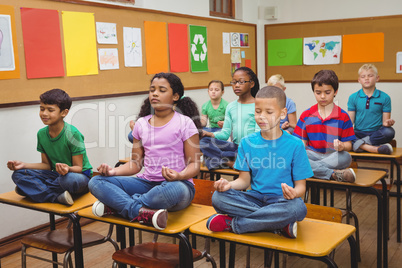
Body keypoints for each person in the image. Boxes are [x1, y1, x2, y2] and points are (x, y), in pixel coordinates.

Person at [89, 73, 201, 230]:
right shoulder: (141, 124)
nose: (154, 93)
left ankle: (117, 206)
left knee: (169, 191)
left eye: (162, 90)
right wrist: (112, 171)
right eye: (152, 90)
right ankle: (139, 211)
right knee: (96, 181)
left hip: (178, 185)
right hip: (147, 184)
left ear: (175, 96)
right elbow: (135, 164)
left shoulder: (185, 123)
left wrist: (180, 175)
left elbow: (195, 163)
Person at [206, 86, 313, 238]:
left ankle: (234, 224)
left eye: (269, 112)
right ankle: (278, 225)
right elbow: (244, 181)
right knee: (218, 197)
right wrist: (229, 185)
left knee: (298, 208)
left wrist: (294, 193)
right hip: (254, 199)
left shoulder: (296, 145)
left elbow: (301, 187)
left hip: (281, 201)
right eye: (258, 111)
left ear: (283, 113)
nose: (262, 116)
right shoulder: (247, 142)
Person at [7, 88, 92, 206]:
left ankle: (33, 190)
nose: (44, 113)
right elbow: (46, 166)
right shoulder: (41, 134)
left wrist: (67, 168)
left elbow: (78, 168)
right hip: (56, 176)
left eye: (50, 110)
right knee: (18, 174)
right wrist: (23, 165)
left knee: (69, 179)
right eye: (42, 109)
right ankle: (55, 197)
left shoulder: (73, 134)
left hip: (78, 177)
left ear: (64, 112)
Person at [293, 70, 356, 183]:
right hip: (312, 154)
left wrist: (342, 146)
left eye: (327, 92)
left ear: (335, 91)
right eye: (318, 93)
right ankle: (332, 174)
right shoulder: (306, 115)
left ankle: (311, 169)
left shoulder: (343, 116)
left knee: (346, 157)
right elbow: (300, 143)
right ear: (313, 92)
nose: (322, 96)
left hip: (332, 155)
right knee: (296, 156)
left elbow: (349, 145)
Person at [201, 67, 260, 170]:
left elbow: (258, 135)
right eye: (234, 82)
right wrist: (209, 134)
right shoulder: (231, 106)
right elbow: (225, 134)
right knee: (203, 142)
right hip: (235, 147)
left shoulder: (258, 105)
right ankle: (230, 162)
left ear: (252, 84)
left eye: (241, 82)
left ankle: (222, 161)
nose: (236, 85)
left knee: (211, 157)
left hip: (250, 148)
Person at [347, 64, 395, 154]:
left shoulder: (385, 97)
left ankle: (359, 146)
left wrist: (388, 123)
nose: (366, 78)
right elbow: (350, 122)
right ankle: (374, 149)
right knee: (342, 132)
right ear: (359, 80)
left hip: (376, 133)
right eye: (363, 76)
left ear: (377, 78)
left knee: (389, 132)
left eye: (370, 76)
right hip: (358, 133)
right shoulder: (353, 97)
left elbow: (385, 123)